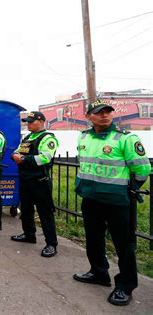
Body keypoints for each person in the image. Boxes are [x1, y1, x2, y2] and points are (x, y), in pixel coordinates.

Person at [72, 100, 151, 306]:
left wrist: (128, 189)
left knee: (124, 246)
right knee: (94, 239)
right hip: (91, 198)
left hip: (118, 201)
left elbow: (142, 168)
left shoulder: (126, 138)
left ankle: (125, 286)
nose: (105, 115)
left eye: (108, 112)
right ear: (89, 116)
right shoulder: (84, 137)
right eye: (99, 112)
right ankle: (99, 273)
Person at [10, 111, 59, 258]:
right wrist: (15, 156)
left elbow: (45, 158)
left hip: (40, 181)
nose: (29, 124)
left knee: (45, 213)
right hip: (26, 180)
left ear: (41, 121)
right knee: (26, 209)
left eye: (32, 121)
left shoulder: (48, 138)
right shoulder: (28, 137)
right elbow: (16, 152)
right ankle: (29, 234)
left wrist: (23, 159)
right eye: (28, 122)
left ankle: (51, 244)